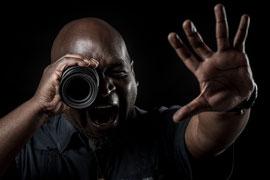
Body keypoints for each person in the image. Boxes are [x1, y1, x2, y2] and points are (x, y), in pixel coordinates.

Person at [0, 4, 257, 180]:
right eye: (84, 79)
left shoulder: (164, 131)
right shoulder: (27, 143)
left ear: (135, 77)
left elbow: (209, 135)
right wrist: (38, 105)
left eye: (117, 71)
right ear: (56, 84)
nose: (105, 88)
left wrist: (230, 104)